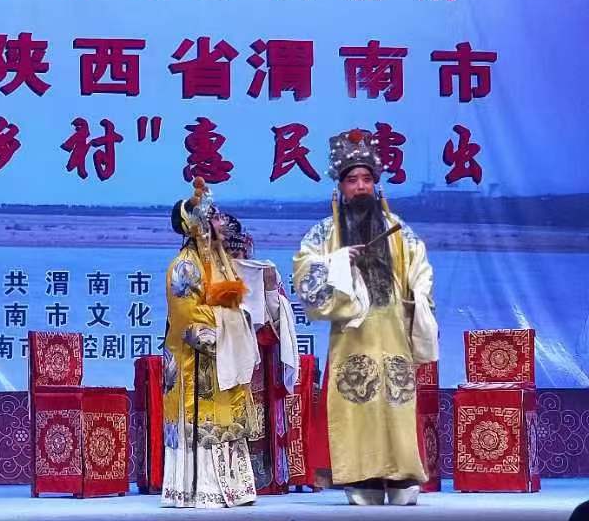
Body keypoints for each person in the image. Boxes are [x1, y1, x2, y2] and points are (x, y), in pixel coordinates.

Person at [293, 128, 438, 506]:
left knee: (396, 401)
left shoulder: (398, 230)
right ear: (340, 187)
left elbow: (420, 270)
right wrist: (338, 262)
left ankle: (403, 475)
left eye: (366, 179)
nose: (360, 187)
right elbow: (304, 273)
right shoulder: (325, 232)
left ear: (375, 184)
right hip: (351, 333)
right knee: (358, 402)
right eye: (352, 180)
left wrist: (418, 296)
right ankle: (363, 476)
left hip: (392, 330)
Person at [161, 178, 259, 508]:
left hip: (220, 358)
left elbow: (235, 304)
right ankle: (199, 488)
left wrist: (237, 316)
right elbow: (187, 318)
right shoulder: (185, 266)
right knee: (201, 418)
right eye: (214, 217)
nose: (221, 222)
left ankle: (232, 488)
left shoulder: (220, 260)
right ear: (198, 225)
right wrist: (228, 318)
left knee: (226, 416)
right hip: (194, 360)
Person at [217, 212, 301, 494]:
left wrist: (268, 289)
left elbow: (278, 320)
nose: (236, 258)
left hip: (259, 360)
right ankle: (222, 477)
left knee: (258, 417)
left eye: (239, 251)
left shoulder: (263, 271)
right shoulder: (208, 274)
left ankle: (259, 475)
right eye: (229, 251)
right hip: (222, 355)